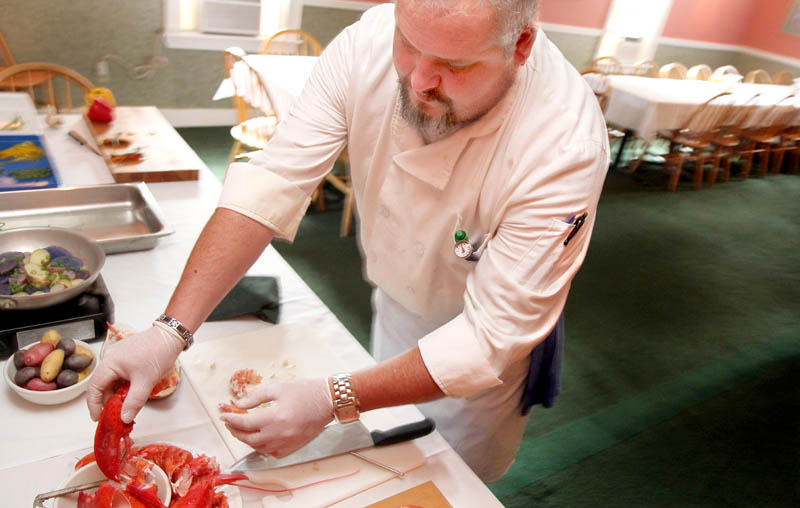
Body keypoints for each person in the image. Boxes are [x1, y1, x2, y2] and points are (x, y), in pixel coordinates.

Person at [88, 0, 609, 482]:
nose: (419, 79)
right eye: (409, 43)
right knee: (383, 456)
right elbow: (272, 183)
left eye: (455, 64)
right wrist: (168, 332)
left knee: (446, 478)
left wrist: (334, 396)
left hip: (477, 355)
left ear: (520, 46)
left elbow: (487, 339)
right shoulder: (368, 42)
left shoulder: (564, 142)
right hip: (395, 303)